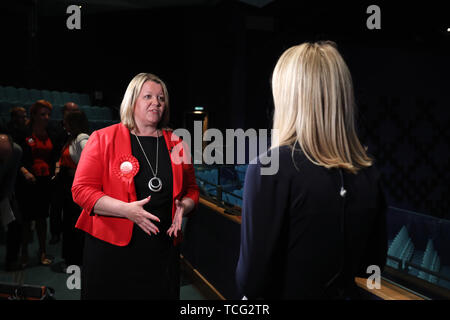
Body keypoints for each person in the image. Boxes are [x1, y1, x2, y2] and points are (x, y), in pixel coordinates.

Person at [236, 41, 387, 299]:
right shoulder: (369, 173)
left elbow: (251, 284)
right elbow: (370, 265)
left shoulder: (269, 169)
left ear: (288, 98)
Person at [72, 73, 199, 300]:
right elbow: (81, 191)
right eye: (147, 96)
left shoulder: (177, 143)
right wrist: (127, 210)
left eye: (161, 98)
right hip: (112, 251)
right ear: (132, 101)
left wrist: (184, 206)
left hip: (162, 251)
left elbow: (192, 190)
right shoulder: (102, 138)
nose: (156, 102)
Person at [17, 100, 58, 266]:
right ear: (33, 115)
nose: (46, 117)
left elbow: (55, 156)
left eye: (48, 114)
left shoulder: (51, 133)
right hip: (27, 181)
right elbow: (17, 157)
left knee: (42, 219)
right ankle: (24, 254)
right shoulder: (23, 133)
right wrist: (25, 172)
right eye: (42, 114)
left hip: (44, 181)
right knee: (26, 221)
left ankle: (42, 252)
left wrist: (55, 169)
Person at [56, 110, 90, 270]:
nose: (64, 124)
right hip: (66, 187)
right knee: (68, 224)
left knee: (74, 225)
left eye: (67, 121)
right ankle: (70, 259)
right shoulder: (71, 138)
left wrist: (74, 173)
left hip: (76, 189)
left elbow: (90, 166)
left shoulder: (82, 140)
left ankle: (76, 261)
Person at [49, 101, 80, 245]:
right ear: (63, 113)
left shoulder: (80, 131)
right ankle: (55, 233)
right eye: (70, 111)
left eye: (76, 111)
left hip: (72, 173)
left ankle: (71, 232)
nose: (74, 114)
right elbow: (53, 151)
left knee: (71, 207)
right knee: (56, 206)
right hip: (57, 171)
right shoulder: (55, 128)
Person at [0, 134, 23, 271]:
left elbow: (11, 177)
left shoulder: (16, 151)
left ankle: (11, 260)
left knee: (16, 223)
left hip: (4, 190)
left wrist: (5, 197)